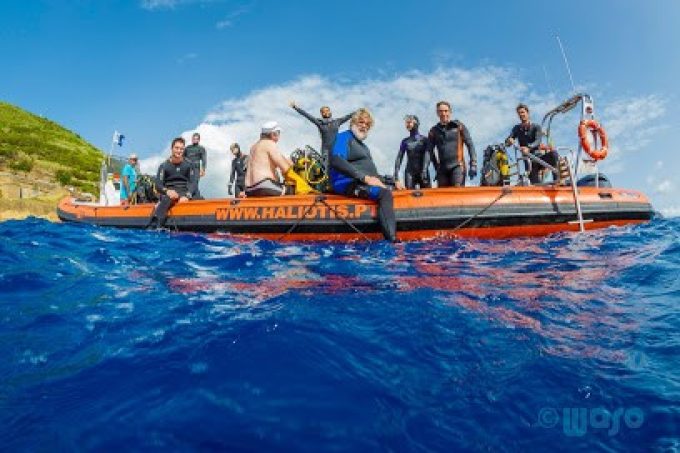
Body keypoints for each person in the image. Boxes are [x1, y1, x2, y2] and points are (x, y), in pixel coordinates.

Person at [330, 108, 404, 242]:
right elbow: (336, 160)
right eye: (361, 122)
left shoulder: (364, 147)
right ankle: (393, 241)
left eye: (367, 125)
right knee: (384, 194)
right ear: (353, 122)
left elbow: (373, 175)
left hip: (361, 181)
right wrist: (364, 178)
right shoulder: (344, 137)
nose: (364, 126)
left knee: (392, 190)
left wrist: (393, 182)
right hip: (346, 183)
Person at [245, 121, 314, 197]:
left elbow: (276, 160)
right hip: (263, 186)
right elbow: (285, 167)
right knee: (295, 189)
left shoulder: (254, 147)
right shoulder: (269, 143)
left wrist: (292, 161)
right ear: (273, 134)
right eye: (279, 133)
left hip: (249, 189)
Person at [422, 101, 477, 187]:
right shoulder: (434, 131)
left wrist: (473, 164)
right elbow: (429, 151)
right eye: (440, 111)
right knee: (442, 196)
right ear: (437, 113)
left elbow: (470, 145)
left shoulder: (459, 126)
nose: (443, 113)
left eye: (446, 111)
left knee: (457, 195)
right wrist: (424, 169)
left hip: (458, 167)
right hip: (442, 169)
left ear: (450, 112)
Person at [147, 137, 198, 228]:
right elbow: (158, 184)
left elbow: (193, 183)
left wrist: (187, 195)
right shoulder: (164, 166)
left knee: (199, 198)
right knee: (166, 199)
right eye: (176, 148)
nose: (179, 151)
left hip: (184, 192)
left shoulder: (189, 164)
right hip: (169, 193)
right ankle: (156, 227)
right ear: (172, 149)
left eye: (181, 149)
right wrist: (167, 191)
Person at [289, 101, 355, 168]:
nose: (325, 112)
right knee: (325, 167)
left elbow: (348, 116)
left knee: (339, 165)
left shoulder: (337, 122)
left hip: (336, 149)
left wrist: (358, 112)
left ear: (330, 112)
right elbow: (307, 115)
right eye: (323, 111)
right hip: (325, 150)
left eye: (327, 110)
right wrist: (295, 107)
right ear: (321, 114)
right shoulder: (319, 122)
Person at [505, 103, 558, 184]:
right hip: (528, 162)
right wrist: (509, 140)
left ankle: (557, 181)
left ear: (527, 113)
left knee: (554, 154)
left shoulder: (536, 127)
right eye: (519, 113)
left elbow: (538, 141)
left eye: (522, 112)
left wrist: (528, 148)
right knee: (535, 184)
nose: (521, 114)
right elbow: (507, 142)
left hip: (539, 158)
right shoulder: (516, 128)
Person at [393, 114, 430, 189]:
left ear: (416, 123)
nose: (407, 124)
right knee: (409, 196)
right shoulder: (405, 141)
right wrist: (396, 175)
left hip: (423, 171)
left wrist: (425, 170)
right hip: (410, 172)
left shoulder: (425, 140)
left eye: (410, 122)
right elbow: (399, 158)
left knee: (428, 196)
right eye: (406, 123)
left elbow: (429, 155)